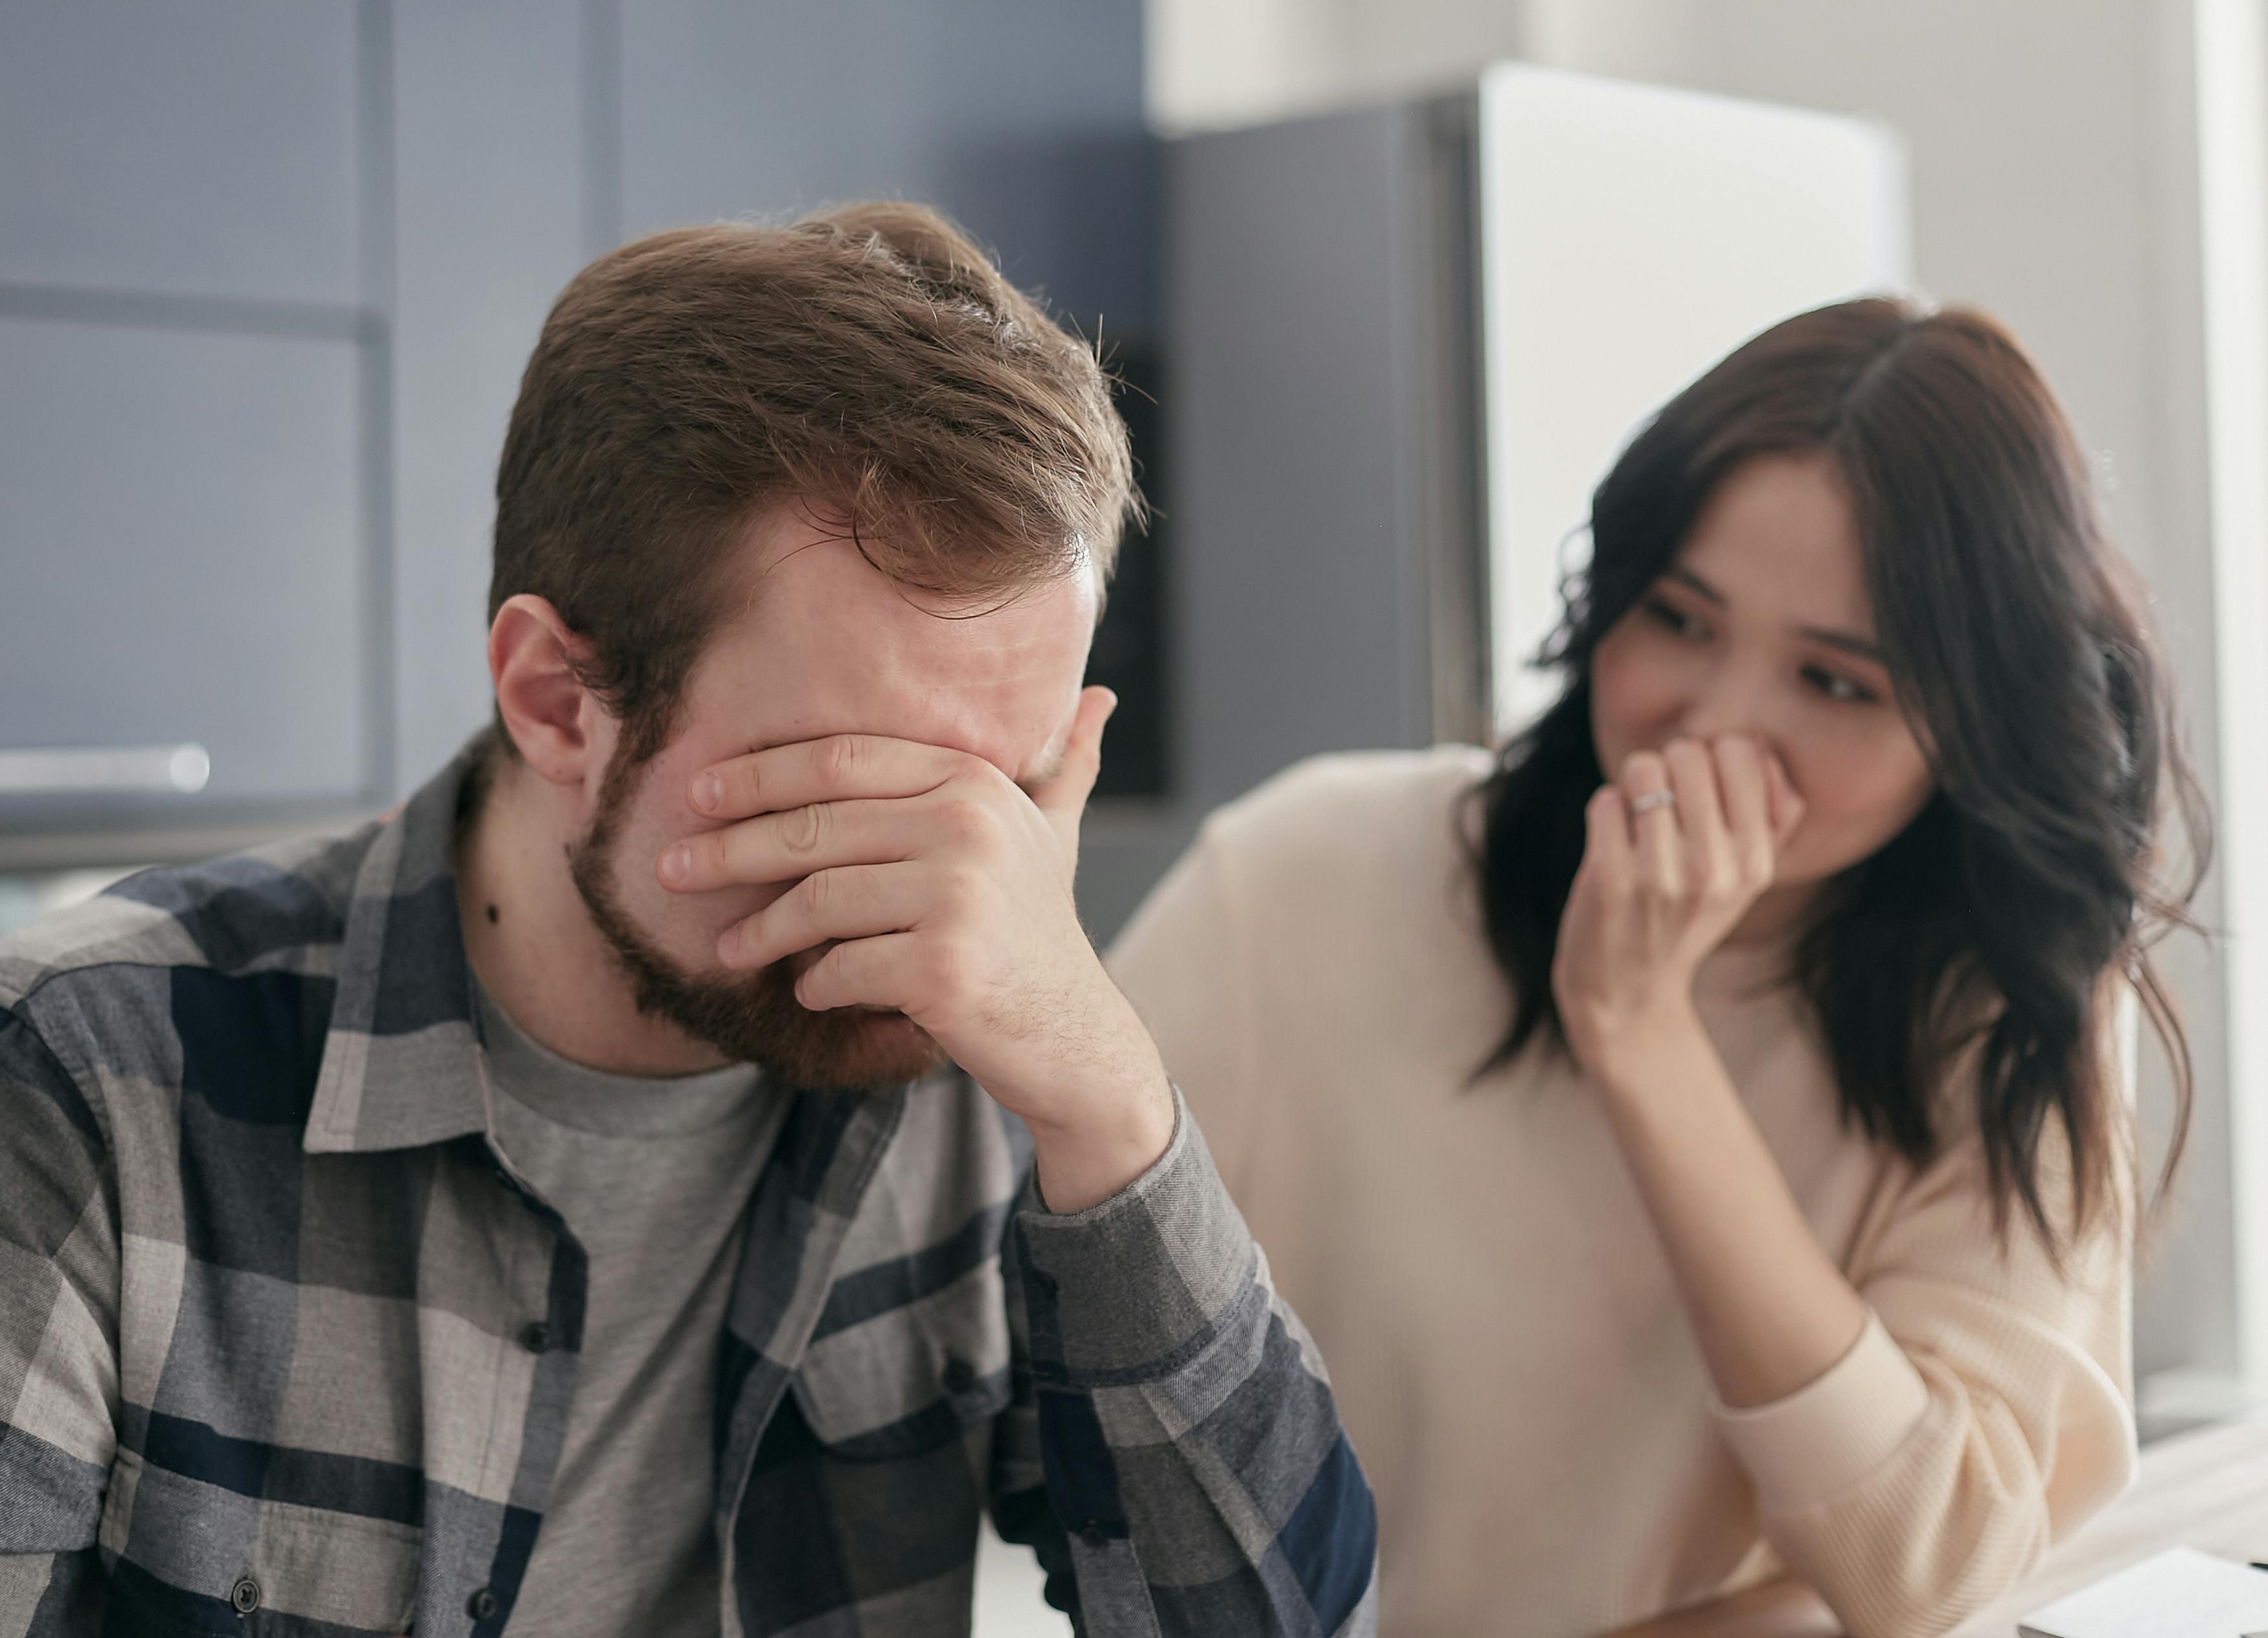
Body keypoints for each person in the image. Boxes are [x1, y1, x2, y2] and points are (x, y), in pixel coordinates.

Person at [0, 204, 1377, 1638]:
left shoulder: (990, 1059)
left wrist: (1110, 1097)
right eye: (859, 784)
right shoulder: (78, 1085)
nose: (955, 879)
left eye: (1016, 789)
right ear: (555, 701)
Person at [1110, 298, 2203, 1638]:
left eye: (1835, 682)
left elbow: (1926, 1568)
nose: (1714, 725)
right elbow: (1006, 1365)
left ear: (1972, 730)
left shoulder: (2005, 1004)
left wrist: (1639, 1031)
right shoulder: (1305, 872)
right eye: (1679, 619)